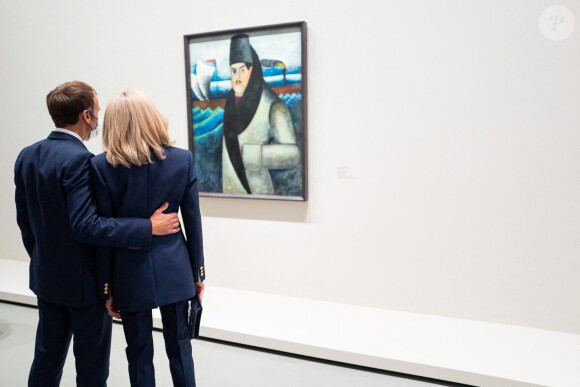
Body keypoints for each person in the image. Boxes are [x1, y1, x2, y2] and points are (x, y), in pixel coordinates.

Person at [14, 81, 181, 387]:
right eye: (98, 111)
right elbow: (87, 225)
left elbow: (25, 225)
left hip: (45, 278)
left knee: (46, 360)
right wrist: (149, 227)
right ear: (86, 116)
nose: (99, 118)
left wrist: (43, 260)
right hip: (85, 285)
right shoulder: (81, 161)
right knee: (91, 369)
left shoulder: (27, 156)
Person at [90, 90, 205, 387]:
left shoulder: (101, 166)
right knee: (180, 347)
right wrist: (197, 274)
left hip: (128, 273)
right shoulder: (182, 160)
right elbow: (193, 222)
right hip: (175, 268)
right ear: (152, 117)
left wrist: (107, 286)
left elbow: (103, 229)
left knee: (138, 351)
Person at [222, 33, 301, 195]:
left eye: (242, 70)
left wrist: (255, 154)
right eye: (233, 71)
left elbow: (293, 154)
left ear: (252, 70)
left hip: (258, 194)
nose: (237, 78)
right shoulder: (230, 101)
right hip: (228, 195)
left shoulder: (273, 106)